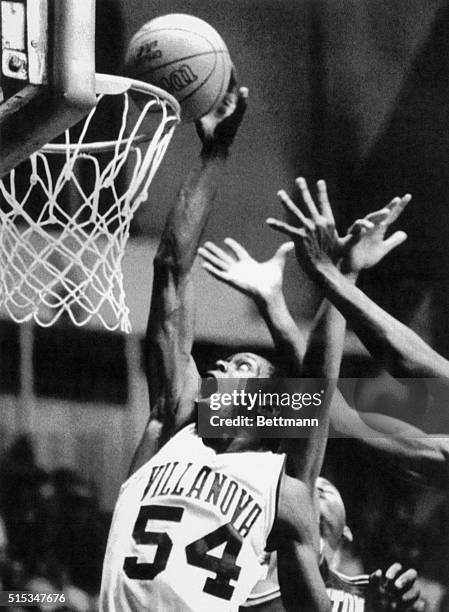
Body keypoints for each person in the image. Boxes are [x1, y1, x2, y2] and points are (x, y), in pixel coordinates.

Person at [100, 85, 334, 612]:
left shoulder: (287, 493)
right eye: (223, 362)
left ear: (273, 408)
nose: (220, 365)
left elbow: (314, 391)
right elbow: (169, 272)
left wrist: (334, 281)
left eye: (242, 365)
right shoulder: (171, 426)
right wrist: (213, 153)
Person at [242, 477, 423, 612]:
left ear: (346, 532)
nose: (311, 490)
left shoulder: (366, 597)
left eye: (323, 490)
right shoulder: (240, 573)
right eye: (307, 485)